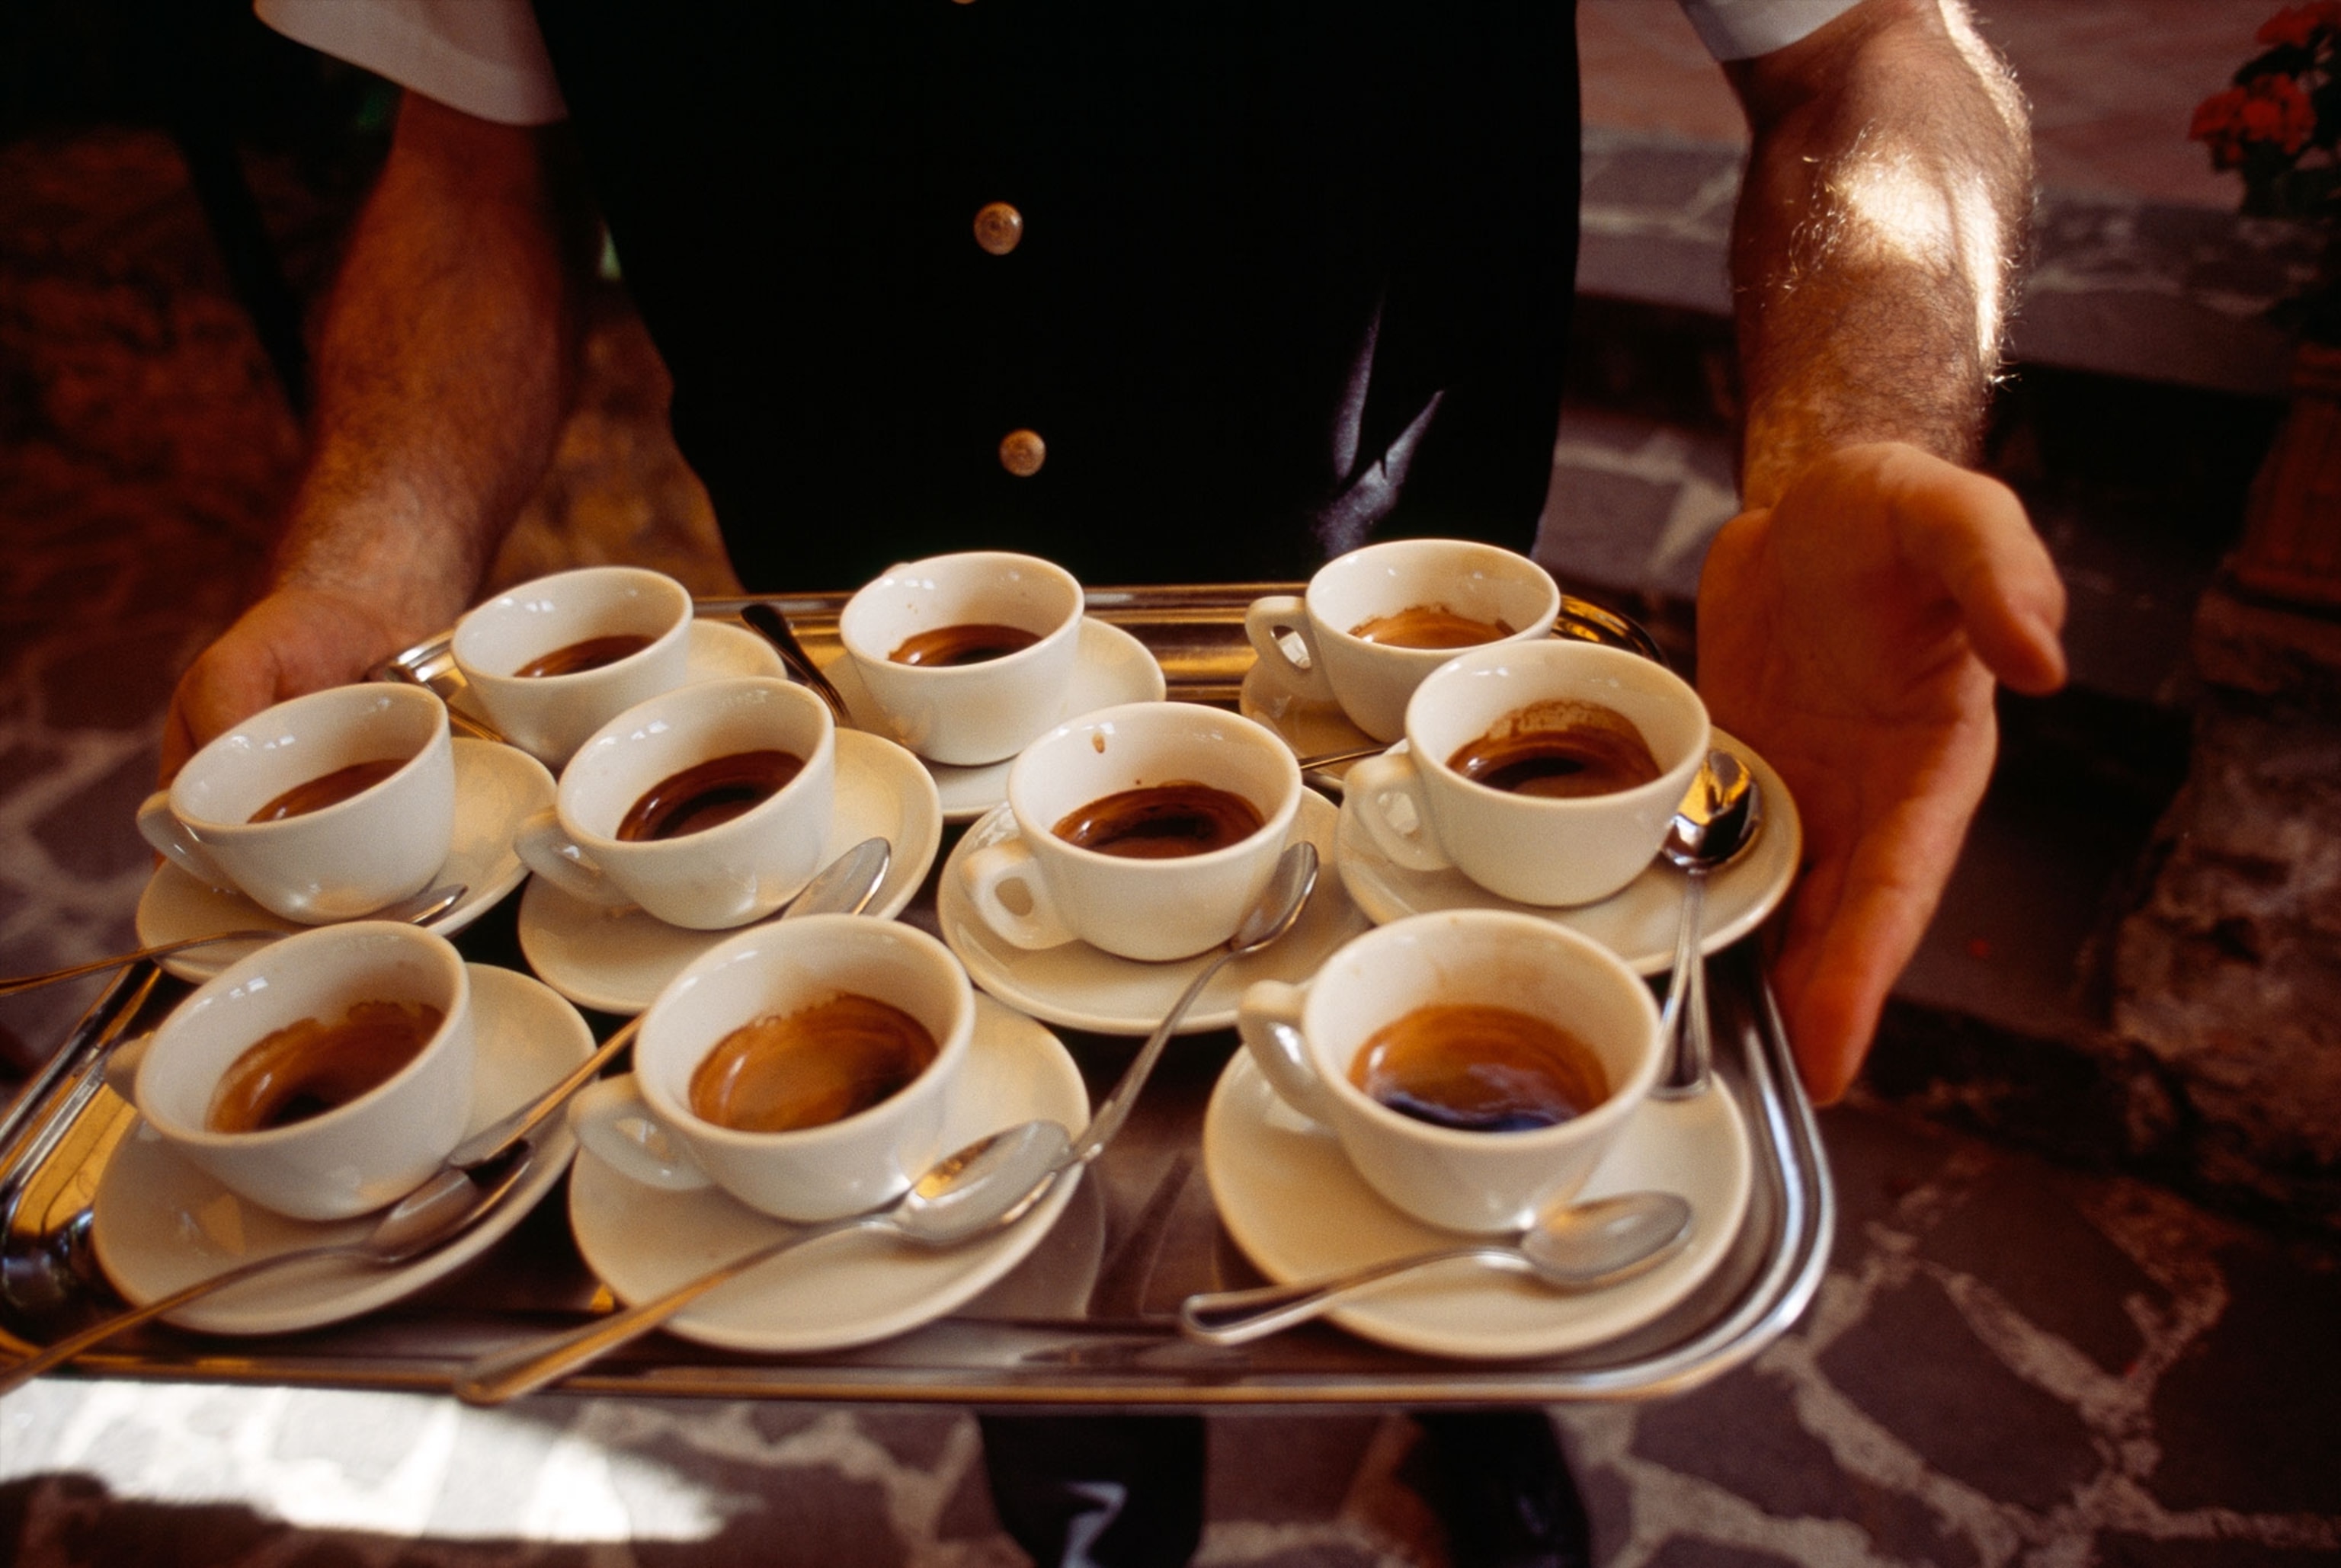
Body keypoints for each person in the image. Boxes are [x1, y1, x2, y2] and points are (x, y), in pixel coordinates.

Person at [165, 2, 2069, 1563]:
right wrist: (369, 567)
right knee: (967, 1114)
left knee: (1454, 1073)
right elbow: (467, 158)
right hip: (876, 713)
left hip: (1391, 671)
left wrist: (1845, 447)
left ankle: (1482, 1417)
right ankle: (1084, 1500)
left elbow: (1867, 52)